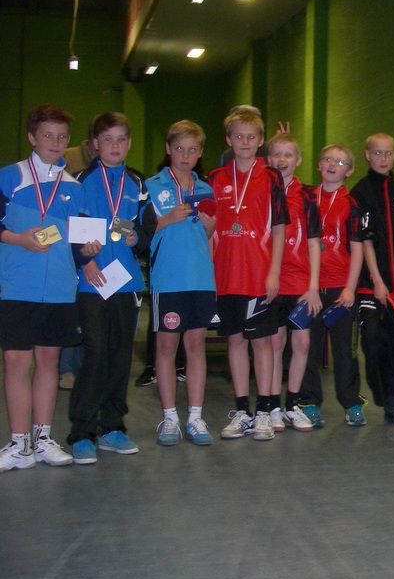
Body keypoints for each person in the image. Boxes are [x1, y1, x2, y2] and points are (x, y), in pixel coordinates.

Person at [0, 104, 99, 472]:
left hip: (59, 288)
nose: (55, 142)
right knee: (15, 362)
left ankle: (42, 439)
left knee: (49, 362)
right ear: (32, 137)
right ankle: (19, 444)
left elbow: (79, 239)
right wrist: (18, 239)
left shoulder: (74, 187)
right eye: (47, 135)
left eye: (62, 136)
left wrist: (88, 251)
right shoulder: (9, 177)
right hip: (17, 285)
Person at [66, 112, 150, 464]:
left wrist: (137, 238)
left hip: (125, 282)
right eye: (107, 139)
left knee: (120, 356)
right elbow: (72, 226)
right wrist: (83, 260)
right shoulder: (80, 180)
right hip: (92, 282)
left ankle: (113, 428)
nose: (115, 146)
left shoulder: (137, 182)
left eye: (121, 139)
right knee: (96, 353)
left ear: (129, 144)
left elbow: (147, 228)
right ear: (94, 145)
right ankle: (82, 432)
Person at [207, 108, 289, 441]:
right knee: (235, 341)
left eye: (251, 137)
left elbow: (279, 230)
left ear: (260, 141)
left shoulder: (271, 177)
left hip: (258, 274)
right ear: (229, 140)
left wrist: (274, 273)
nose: (245, 142)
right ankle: (242, 411)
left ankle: (265, 411)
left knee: (262, 342)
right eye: (238, 136)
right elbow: (208, 228)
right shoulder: (215, 177)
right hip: (226, 275)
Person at [141, 120, 218, 448]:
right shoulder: (150, 186)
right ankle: (170, 417)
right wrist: (165, 219)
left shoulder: (206, 188)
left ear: (200, 153)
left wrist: (210, 227)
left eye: (192, 150)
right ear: (168, 149)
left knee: (196, 347)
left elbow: (207, 236)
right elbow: (139, 234)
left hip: (200, 278)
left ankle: (195, 417)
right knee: (166, 348)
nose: (185, 156)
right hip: (168, 279)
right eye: (179, 149)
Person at [296, 144, 364, 428]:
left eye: (340, 161)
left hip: (340, 288)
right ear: (318, 164)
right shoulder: (305, 198)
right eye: (327, 159)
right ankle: (309, 402)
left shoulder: (352, 204)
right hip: (309, 286)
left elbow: (358, 249)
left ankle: (352, 402)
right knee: (307, 348)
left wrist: (350, 288)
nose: (333, 164)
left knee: (345, 351)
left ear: (349, 170)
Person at [351, 133, 394, 425]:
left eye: (388, 153)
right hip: (370, 284)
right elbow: (364, 240)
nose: (383, 158)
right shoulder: (360, 192)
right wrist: (377, 280)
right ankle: (382, 395)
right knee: (373, 342)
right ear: (367, 155)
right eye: (377, 153)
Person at [266, 133, 320, 433]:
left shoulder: (307, 196)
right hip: (273, 283)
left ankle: (292, 405)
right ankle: (273, 406)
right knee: (275, 343)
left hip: (300, 283)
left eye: (288, 155)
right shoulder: (262, 191)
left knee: (302, 342)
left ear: (298, 160)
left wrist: (313, 286)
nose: (282, 160)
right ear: (268, 159)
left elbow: (314, 243)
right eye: (277, 154)